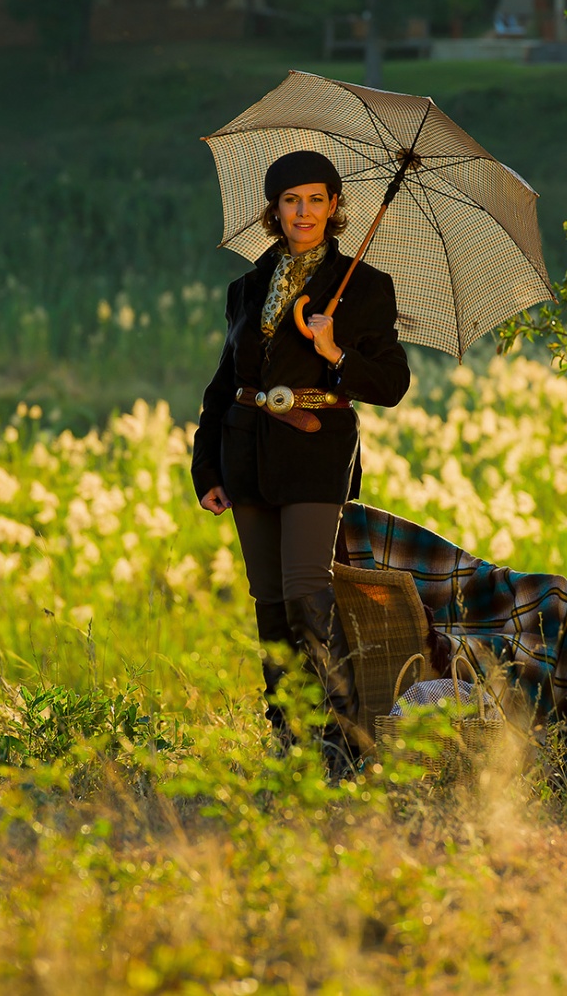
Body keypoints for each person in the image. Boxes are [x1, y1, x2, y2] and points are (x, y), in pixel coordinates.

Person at [192, 149, 410, 769]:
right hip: (244, 456)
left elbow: (391, 384)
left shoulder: (365, 288)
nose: (304, 211)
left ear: (336, 207)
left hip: (316, 452)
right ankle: (289, 747)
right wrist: (205, 469)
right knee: (269, 608)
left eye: (316, 199)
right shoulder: (245, 288)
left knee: (308, 595)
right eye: (291, 201)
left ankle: (343, 748)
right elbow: (223, 383)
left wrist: (334, 350)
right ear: (274, 210)